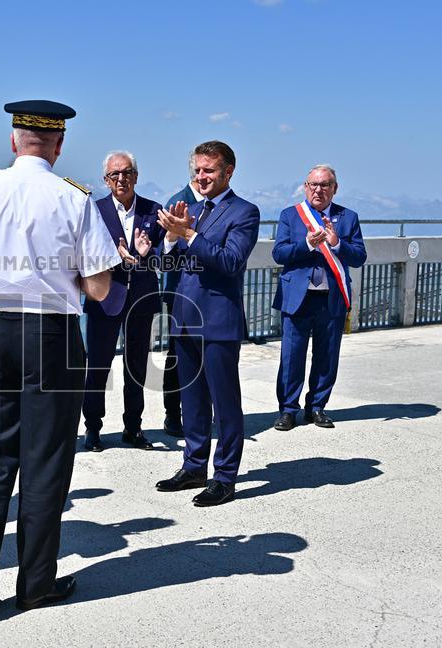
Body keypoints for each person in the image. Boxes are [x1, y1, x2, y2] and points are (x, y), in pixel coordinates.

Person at [0, 100, 118, 610]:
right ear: (59, 144)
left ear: (13, 139)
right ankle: (35, 583)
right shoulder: (75, 198)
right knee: (45, 463)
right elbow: (101, 288)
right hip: (54, 337)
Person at [155, 140, 260, 507]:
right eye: (197, 170)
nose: (201, 177)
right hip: (185, 319)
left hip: (218, 322)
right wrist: (169, 239)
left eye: (209, 170)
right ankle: (194, 466)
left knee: (224, 403)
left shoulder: (244, 212)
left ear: (228, 172)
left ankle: (225, 477)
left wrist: (187, 234)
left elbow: (230, 261)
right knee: (192, 400)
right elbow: (170, 265)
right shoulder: (193, 212)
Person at [271, 164, 367, 430]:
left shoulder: (348, 217)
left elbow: (359, 257)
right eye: (313, 184)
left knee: (327, 356)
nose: (318, 190)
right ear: (305, 187)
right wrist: (306, 244)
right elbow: (279, 254)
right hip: (297, 298)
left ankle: (317, 408)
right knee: (292, 356)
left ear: (334, 189)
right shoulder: (291, 215)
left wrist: (336, 243)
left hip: (331, 297)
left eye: (325, 185)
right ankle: (288, 410)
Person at [82, 150, 165, 452]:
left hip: (141, 299)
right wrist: (111, 256)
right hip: (105, 299)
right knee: (98, 368)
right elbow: (83, 256)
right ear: (106, 180)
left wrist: (145, 254)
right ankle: (93, 428)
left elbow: (164, 254)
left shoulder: (153, 209)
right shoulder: (94, 210)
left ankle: (133, 427)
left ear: (136, 176)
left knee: (137, 368)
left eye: (127, 172)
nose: (121, 178)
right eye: (115, 174)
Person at [160, 147, 203, 438]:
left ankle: (198, 410)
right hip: (180, 292)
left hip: (206, 294)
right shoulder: (178, 203)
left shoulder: (214, 203)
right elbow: (165, 255)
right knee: (178, 355)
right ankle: (173, 414)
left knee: (203, 356)